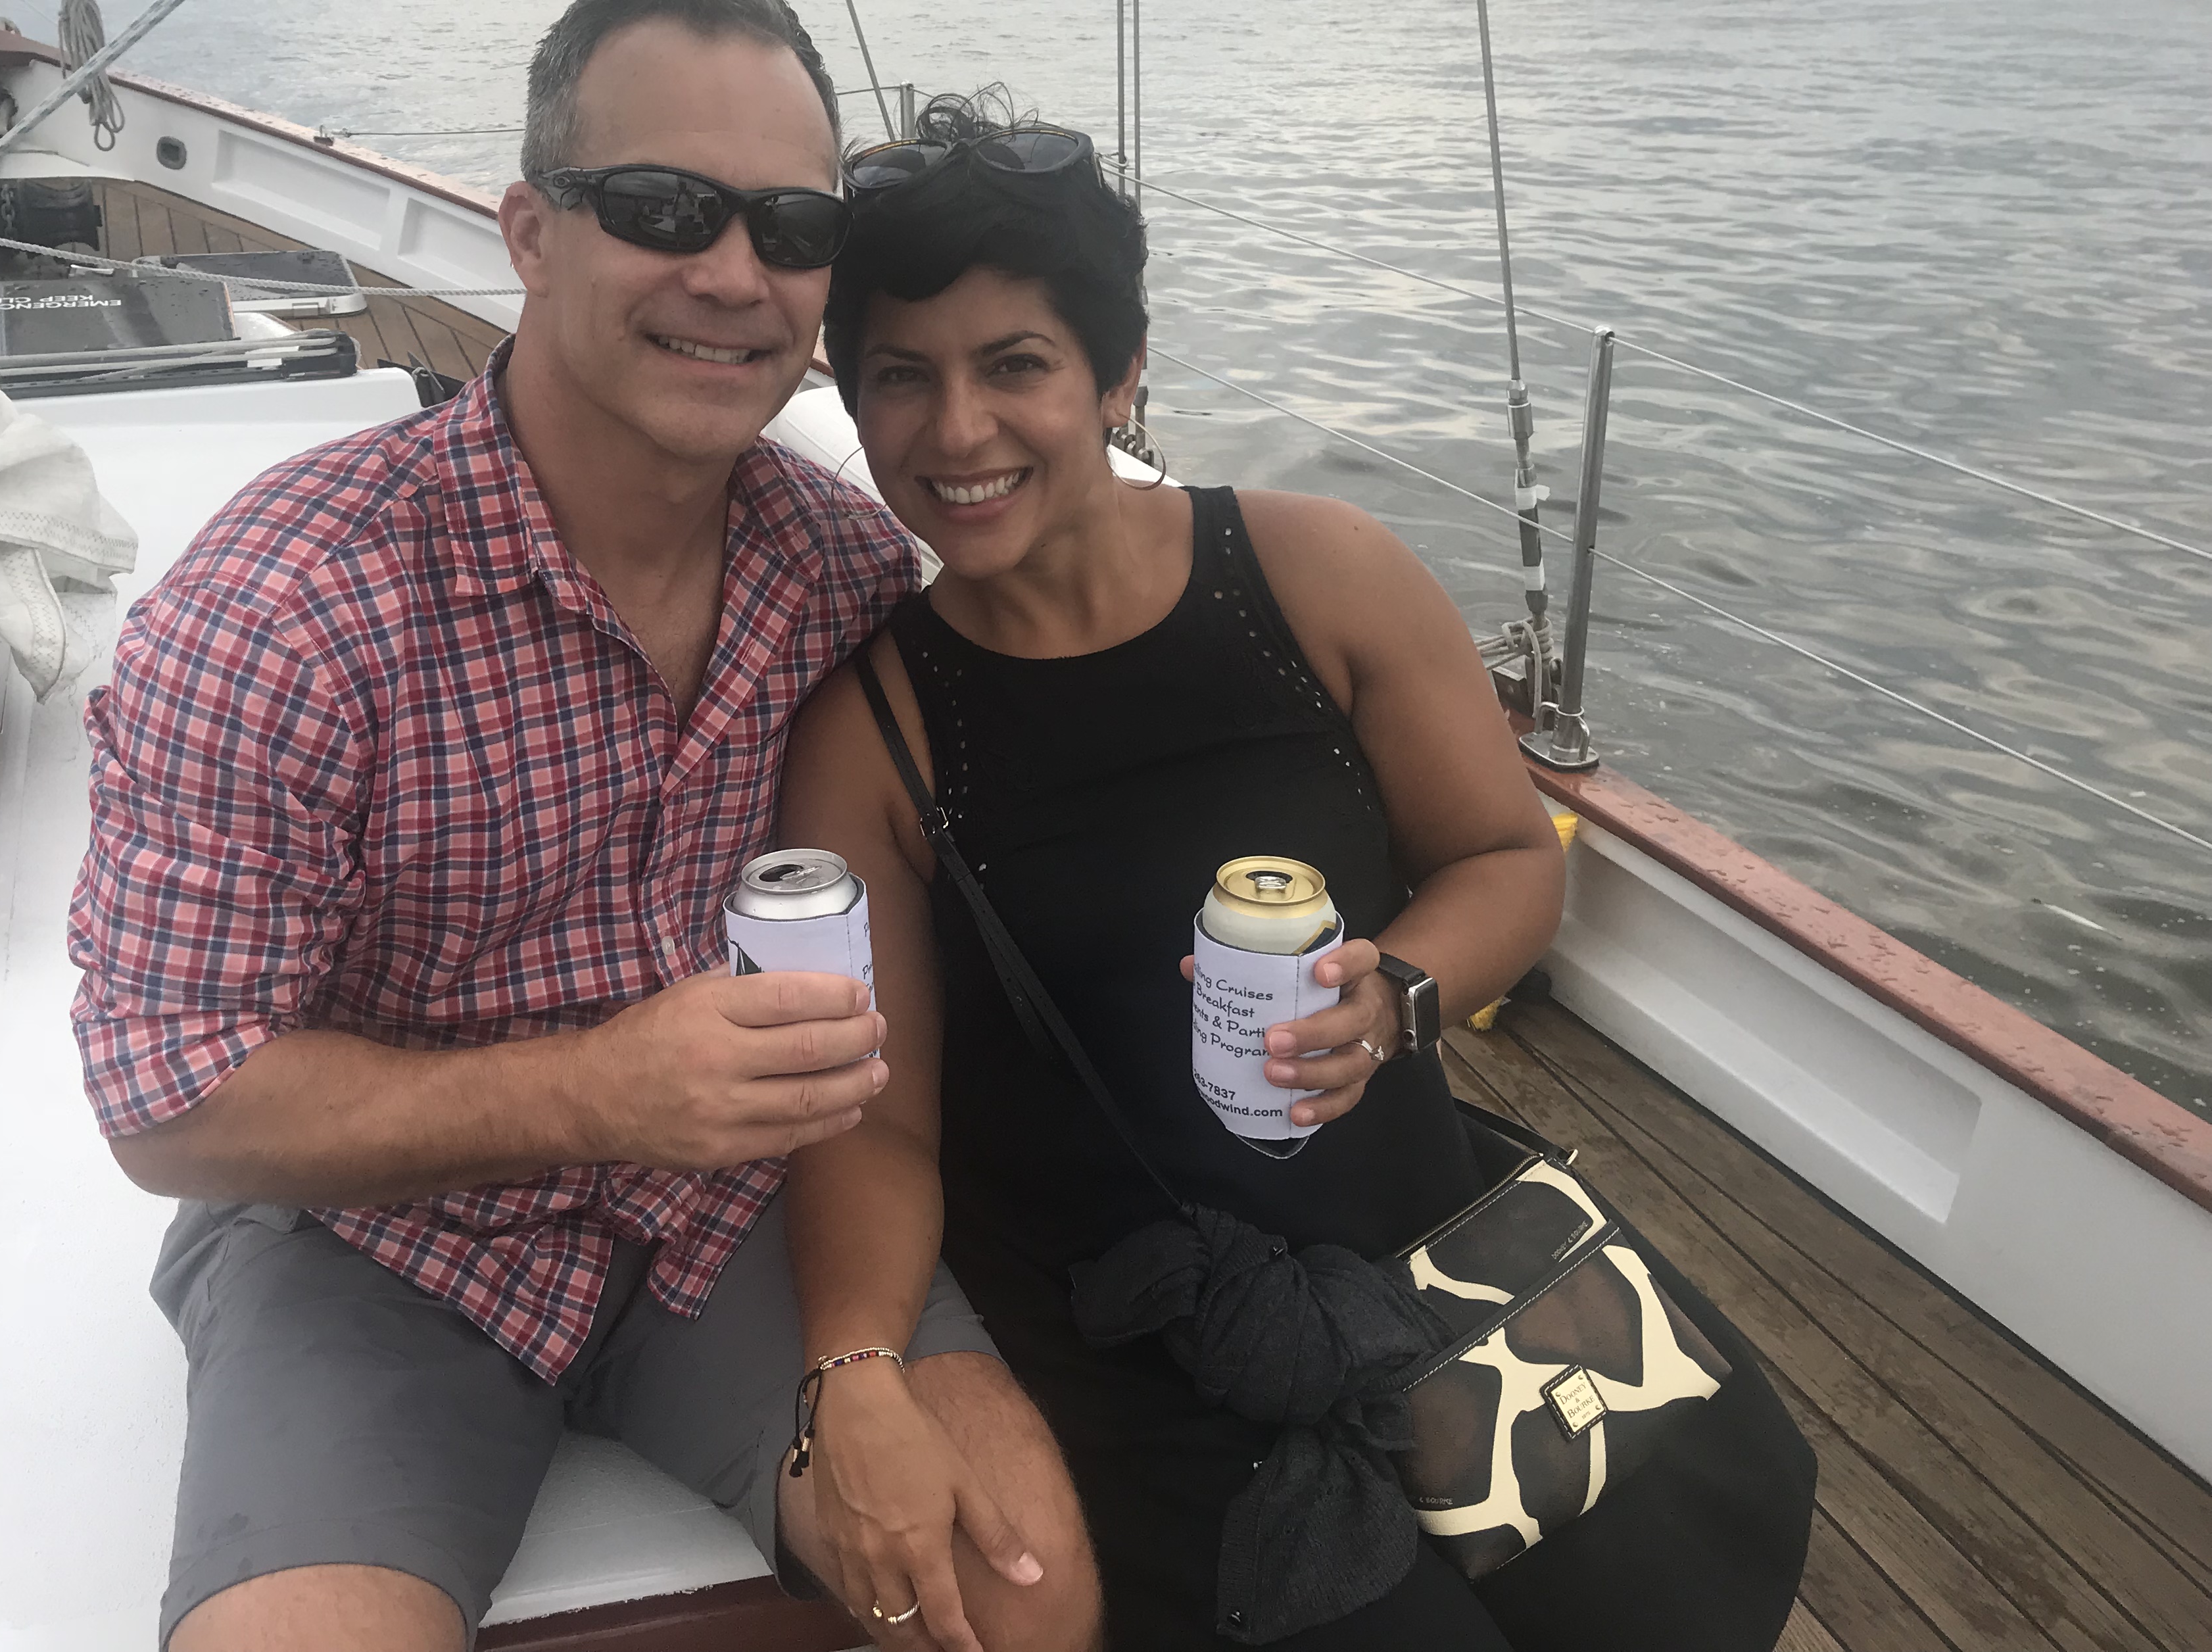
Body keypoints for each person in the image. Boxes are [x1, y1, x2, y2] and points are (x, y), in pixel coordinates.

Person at [67, 0, 1099, 1652]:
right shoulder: (289, 610)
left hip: (745, 1208)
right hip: (377, 1253)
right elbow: (170, 1104)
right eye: (664, 208)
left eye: (787, 226)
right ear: (532, 233)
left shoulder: (838, 573)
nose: (733, 274)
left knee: (1019, 1591)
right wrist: (603, 1090)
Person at [777, 97, 1818, 1649]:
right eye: (901, 379)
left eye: (1017, 366)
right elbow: (880, 1118)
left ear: (1120, 374)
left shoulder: (1318, 574)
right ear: (852, 400)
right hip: (1138, 1334)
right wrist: (857, 1364)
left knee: (1687, 1555)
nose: (959, 433)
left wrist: (1399, 989)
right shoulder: (879, 730)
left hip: (1421, 1253)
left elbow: (1500, 861)